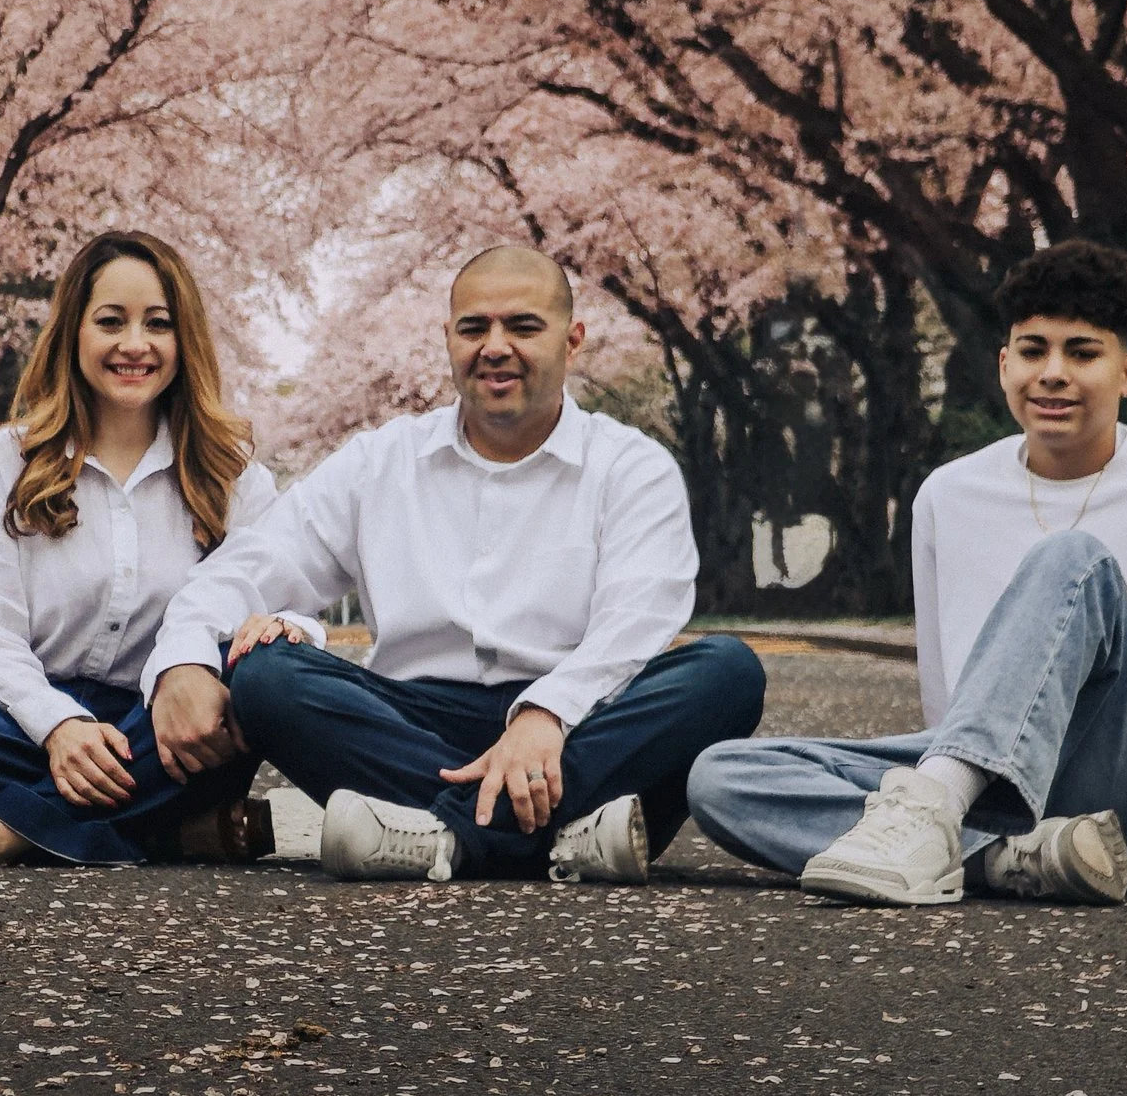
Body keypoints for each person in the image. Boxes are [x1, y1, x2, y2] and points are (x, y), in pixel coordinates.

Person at [686, 240, 1127, 906]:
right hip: (996, 792)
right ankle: (1009, 858)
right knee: (720, 775)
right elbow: (951, 706)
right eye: (1033, 351)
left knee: (1072, 557)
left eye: (1082, 353)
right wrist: (959, 792)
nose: (1052, 373)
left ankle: (947, 832)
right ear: (1004, 365)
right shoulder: (948, 495)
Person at [142, 245, 766, 885]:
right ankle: (557, 841)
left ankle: (442, 836)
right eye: (474, 328)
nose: (495, 347)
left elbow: (636, 622)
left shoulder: (633, 469)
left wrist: (545, 711)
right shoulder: (381, 462)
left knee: (727, 672)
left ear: (572, 341)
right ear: (447, 338)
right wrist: (183, 660)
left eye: (523, 326)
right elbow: (246, 568)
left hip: (578, 732)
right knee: (268, 676)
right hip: (409, 726)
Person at [0, 231, 320, 867]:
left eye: (158, 323)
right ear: (74, 332)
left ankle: (2, 835)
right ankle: (166, 832)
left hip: (166, 726)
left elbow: (291, 613)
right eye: (111, 322)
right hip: (25, 716)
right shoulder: (1, 466)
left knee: (246, 705)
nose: (135, 344)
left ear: (184, 340)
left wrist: (275, 630)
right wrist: (58, 727)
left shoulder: (232, 478)